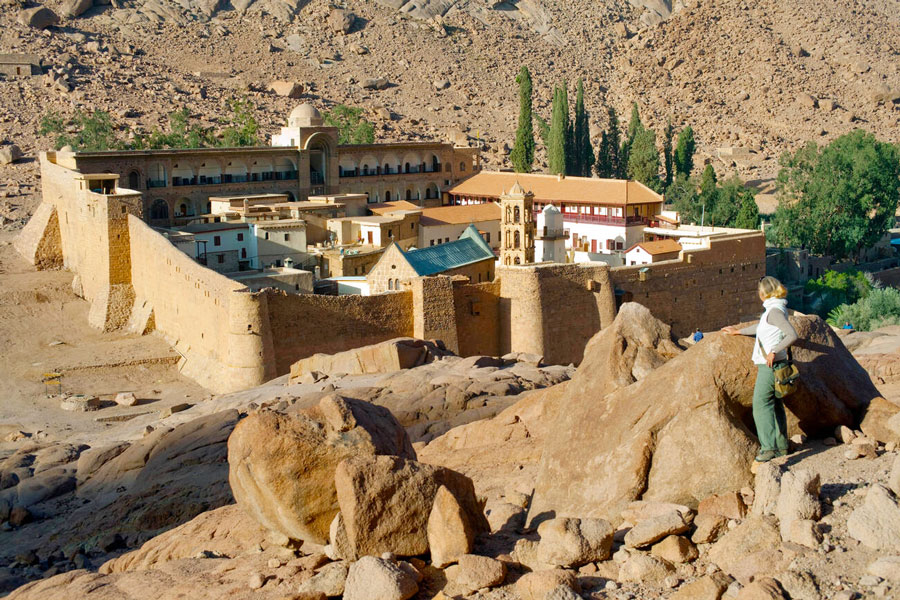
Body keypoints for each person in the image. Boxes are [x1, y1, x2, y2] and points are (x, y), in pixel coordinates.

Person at [722, 276, 798, 462]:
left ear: (764, 293)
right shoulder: (776, 309)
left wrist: (773, 351)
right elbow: (763, 327)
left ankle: (767, 449)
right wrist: (739, 331)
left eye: (759, 291)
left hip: (769, 366)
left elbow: (791, 335)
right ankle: (781, 447)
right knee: (775, 405)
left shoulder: (774, 312)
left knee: (761, 406)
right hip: (776, 366)